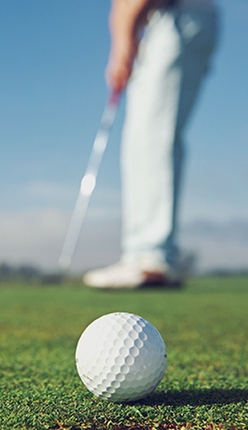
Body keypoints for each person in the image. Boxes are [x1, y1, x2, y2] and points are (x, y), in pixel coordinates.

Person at [83, 0, 219, 289]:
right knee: (141, 142)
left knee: (154, 137)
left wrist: (122, 41)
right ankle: (140, 254)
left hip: (176, 16)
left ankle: (151, 256)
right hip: (167, 21)